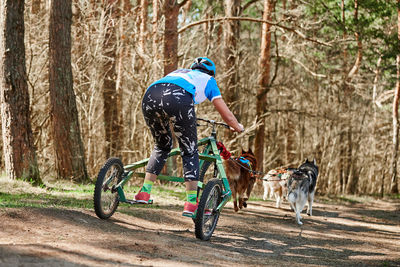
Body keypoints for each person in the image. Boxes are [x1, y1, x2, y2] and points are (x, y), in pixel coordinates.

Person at [135, 57, 244, 215]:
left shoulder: (179, 72)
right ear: (211, 73)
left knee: (162, 146)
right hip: (178, 99)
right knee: (189, 150)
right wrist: (237, 127)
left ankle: (144, 192)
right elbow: (227, 116)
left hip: (150, 96)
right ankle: (191, 202)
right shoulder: (209, 80)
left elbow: (166, 95)